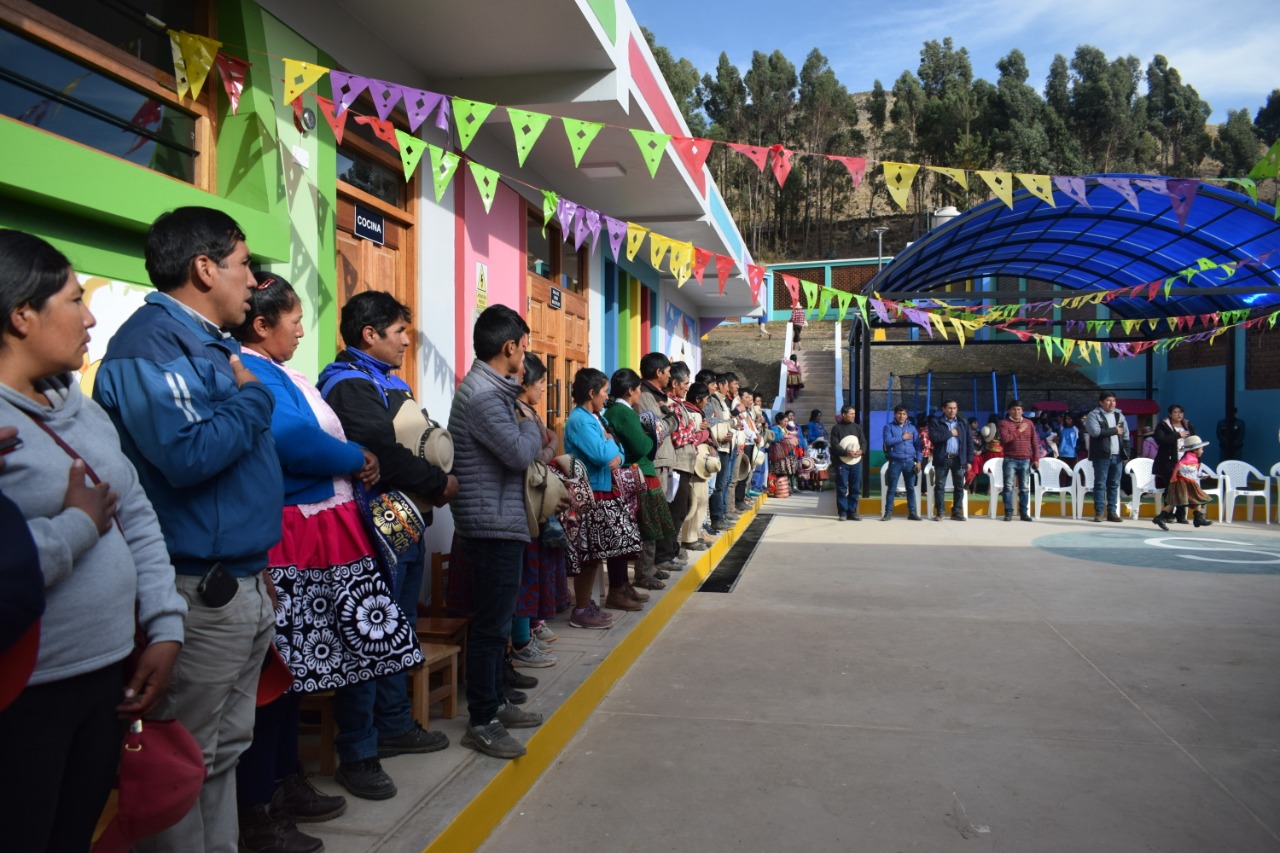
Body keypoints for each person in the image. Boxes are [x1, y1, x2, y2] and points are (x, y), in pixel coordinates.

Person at [92, 207, 281, 852]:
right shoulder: (151, 344)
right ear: (205, 268)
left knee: (221, 752)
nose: (255, 280)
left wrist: (259, 571)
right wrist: (256, 398)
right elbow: (188, 453)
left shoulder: (214, 345)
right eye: (244, 263)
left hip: (240, 581)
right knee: (181, 760)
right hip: (197, 590)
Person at [0, 230, 186, 852]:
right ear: (22, 314)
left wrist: (163, 624)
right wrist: (79, 525)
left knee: (73, 834)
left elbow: (135, 513)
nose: (90, 316)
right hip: (26, 689)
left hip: (108, 674)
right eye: (74, 300)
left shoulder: (80, 409)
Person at [232, 272, 428, 835]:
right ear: (262, 325)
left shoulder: (282, 371)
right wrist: (354, 455)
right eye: (293, 320)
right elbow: (292, 440)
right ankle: (271, 794)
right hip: (299, 533)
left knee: (317, 658)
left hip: (330, 529)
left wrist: (354, 455)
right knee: (295, 660)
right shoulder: (255, 373)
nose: (300, 329)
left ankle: (286, 777)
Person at [318, 291, 456, 790]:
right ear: (368, 335)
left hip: (401, 517)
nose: (405, 341)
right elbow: (381, 453)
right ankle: (359, 747)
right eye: (398, 332)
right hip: (369, 522)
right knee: (371, 626)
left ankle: (394, 722)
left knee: (397, 622)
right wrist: (438, 482)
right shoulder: (349, 386)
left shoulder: (383, 381)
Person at [448, 304, 546, 759]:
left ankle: (495, 703)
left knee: (498, 624)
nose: (526, 358)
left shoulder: (495, 391)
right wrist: (533, 428)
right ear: (509, 347)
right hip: (489, 525)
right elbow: (518, 453)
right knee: (490, 629)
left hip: (498, 520)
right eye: (524, 347)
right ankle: (482, 720)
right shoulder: (488, 397)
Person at [509, 352, 568, 669]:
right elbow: (532, 457)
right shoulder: (517, 413)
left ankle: (532, 629)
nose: (545, 388)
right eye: (542, 382)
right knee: (524, 577)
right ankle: (521, 641)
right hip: (523, 505)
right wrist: (551, 444)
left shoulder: (528, 412)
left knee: (535, 572)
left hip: (535, 505)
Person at [563, 366, 630, 619]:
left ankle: (586, 604)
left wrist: (615, 450)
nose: (606, 397)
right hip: (588, 493)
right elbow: (603, 454)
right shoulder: (580, 420)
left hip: (600, 490)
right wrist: (611, 444)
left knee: (595, 553)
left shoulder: (596, 418)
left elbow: (618, 452)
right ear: (591, 393)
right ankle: (580, 607)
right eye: (604, 392)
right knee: (587, 553)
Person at [603, 367, 672, 606]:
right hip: (637, 473)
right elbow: (642, 447)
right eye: (638, 388)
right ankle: (642, 575)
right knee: (645, 528)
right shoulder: (623, 413)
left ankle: (632, 581)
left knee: (641, 529)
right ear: (631, 390)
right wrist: (654, 435)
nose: (640, 392)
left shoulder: (616, 411)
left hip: (634, 472)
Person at [636, 352, 685, 574]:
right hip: (654, 463)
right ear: (658, 373)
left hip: (662, 462)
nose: (669, 377)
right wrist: (672, 420)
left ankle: (653, 564)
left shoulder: (656, 395)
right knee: (652, 517)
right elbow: (656, 429)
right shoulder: (646, 396)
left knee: (659, 515)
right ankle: (648, 568)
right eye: (667, 372)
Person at [1152, 435, 1215, 530]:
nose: (1202, 451)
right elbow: (1184, 469)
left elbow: (1189, 471)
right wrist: (1199, 475)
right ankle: (1198, 518)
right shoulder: (1190, 459)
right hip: (1185, 482)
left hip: (1183, 482)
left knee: (1175, 501)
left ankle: (1160, 517)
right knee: (1198, 497)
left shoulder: (1190, 458)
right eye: (1201, 449)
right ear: (1195, 450)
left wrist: (1200, 475)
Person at [1084, 391, 1129, 523]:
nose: (1112, 403)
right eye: (1108, 400)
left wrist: (1126, 453)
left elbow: (1125, 436)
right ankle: (1099, 512)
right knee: (1100, 484)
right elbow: (1095, 432)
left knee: (1114, 484)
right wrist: (1114, 430)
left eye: (1113, 400)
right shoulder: (1094, 415)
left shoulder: (1119, 415)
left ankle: (1112, 512)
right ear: (1101, 402)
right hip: (1101, 455)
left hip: (1117, 456)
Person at [928, 399, 972, 521]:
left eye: (954, 408)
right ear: (943, 409)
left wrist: (969, 460)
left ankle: (956, 512)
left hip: (958, 459)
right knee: (940, 486)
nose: (952, 410)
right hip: (942, 459)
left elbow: (969, 442)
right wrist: (950, 433)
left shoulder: (963, 422)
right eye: (949, 408)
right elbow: (934, 438)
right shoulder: (936, 421)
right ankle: (940, 512)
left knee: (959, 487)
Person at [998, 399, 1040, 522]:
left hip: (1025, 459)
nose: (1016, 412)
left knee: (1025, 488)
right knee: (1008, 487)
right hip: (1010, 459)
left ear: (1022, 411)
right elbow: (1005, 439)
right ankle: (1009, 512)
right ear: (1009, 411)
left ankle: (1024, 513)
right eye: (1014, 409)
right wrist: (1019, 430)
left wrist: (1036, 458)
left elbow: (1034, 442)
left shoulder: (1029, 423)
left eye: (1019, 409)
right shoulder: (1004, 423)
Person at [1153, 404, 1195, 524]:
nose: (1179, 415)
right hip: (1169, 463)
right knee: (1170, 489)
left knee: (1184, 489)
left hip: (1185, 462)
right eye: (1176, 412)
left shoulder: (1188, 425)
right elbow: (1161, 440)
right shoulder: (1163, 425)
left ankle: (1181, 515)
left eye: (1181, 412)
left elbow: (1195, 441)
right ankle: (1168, 515)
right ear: (1170, 414)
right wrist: (1178, 435)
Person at [881, 405, 922, 520]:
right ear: (895, 414)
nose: (901, 416)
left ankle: (912, 513)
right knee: (892, 488)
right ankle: (888, 513)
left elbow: (918, 445)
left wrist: (918, 461)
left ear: (907, 415)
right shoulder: (888, 427)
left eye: (904, 414)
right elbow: (888, 441)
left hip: (909, 461)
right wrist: (902, 437)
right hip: (895, 461)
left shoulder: (912, 428)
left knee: (910, 488)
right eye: (899, 413)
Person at [830, 405, 865, 521]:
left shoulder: (857, 428)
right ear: (844, 415)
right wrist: (846, 452)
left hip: (856, 462)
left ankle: (852, 512)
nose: (853, 416)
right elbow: (834, 445)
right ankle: (843, 512)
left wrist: (861, 451)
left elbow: (863, 442)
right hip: (842, 462)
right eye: (851, 414)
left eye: (854, 414)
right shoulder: (836, 428)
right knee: (842, 487)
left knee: (855, 487)